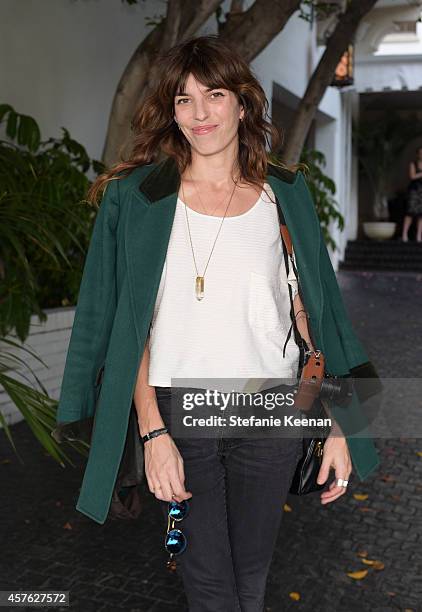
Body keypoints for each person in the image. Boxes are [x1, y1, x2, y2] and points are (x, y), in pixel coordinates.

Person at [55, 34, 380, 612]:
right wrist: (153, 433)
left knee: (251, 576)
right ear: (172, 110)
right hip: (181, 412)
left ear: (243, 103)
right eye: (184, 99)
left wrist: (341, 424)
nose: (199, 113)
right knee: (207, 581)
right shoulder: (137, 197)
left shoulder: (285, 195)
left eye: (215, 95)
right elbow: (124, 327)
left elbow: (320, 317)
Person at [402, 146, 422, 242]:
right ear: (418, 154)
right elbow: (412, 176)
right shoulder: (413, 164)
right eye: (420, 153)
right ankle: (404, 234)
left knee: (421, 214)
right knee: (410, 212)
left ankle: (419, 236)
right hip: (414, 191)